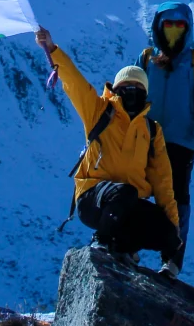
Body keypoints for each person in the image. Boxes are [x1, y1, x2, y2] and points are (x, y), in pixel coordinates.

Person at [36, 26, 183, 277]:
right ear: (115, 90)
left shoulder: (151, 130)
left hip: (125, 206)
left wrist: (173, 239)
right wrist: (52, 49)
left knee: (165, 232)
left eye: (137, 88)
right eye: (125, 86)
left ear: (145, 93)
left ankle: (122, 247)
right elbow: (75, 84)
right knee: (125, 192)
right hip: (93, 199)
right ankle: (102, 243)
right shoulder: (99, 112)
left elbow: (163, 181)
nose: (131, 92)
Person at [138, 1, 194, 268]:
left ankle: (172, 260)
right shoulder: (146, 58)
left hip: (181, 143)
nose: (173, 30)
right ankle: (128, 246)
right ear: (158, 26)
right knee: (136, 192)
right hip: (146, 139)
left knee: (177, 200)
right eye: (168, 24)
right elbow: (132, 93)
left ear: (187, 27)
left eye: (179, 25)